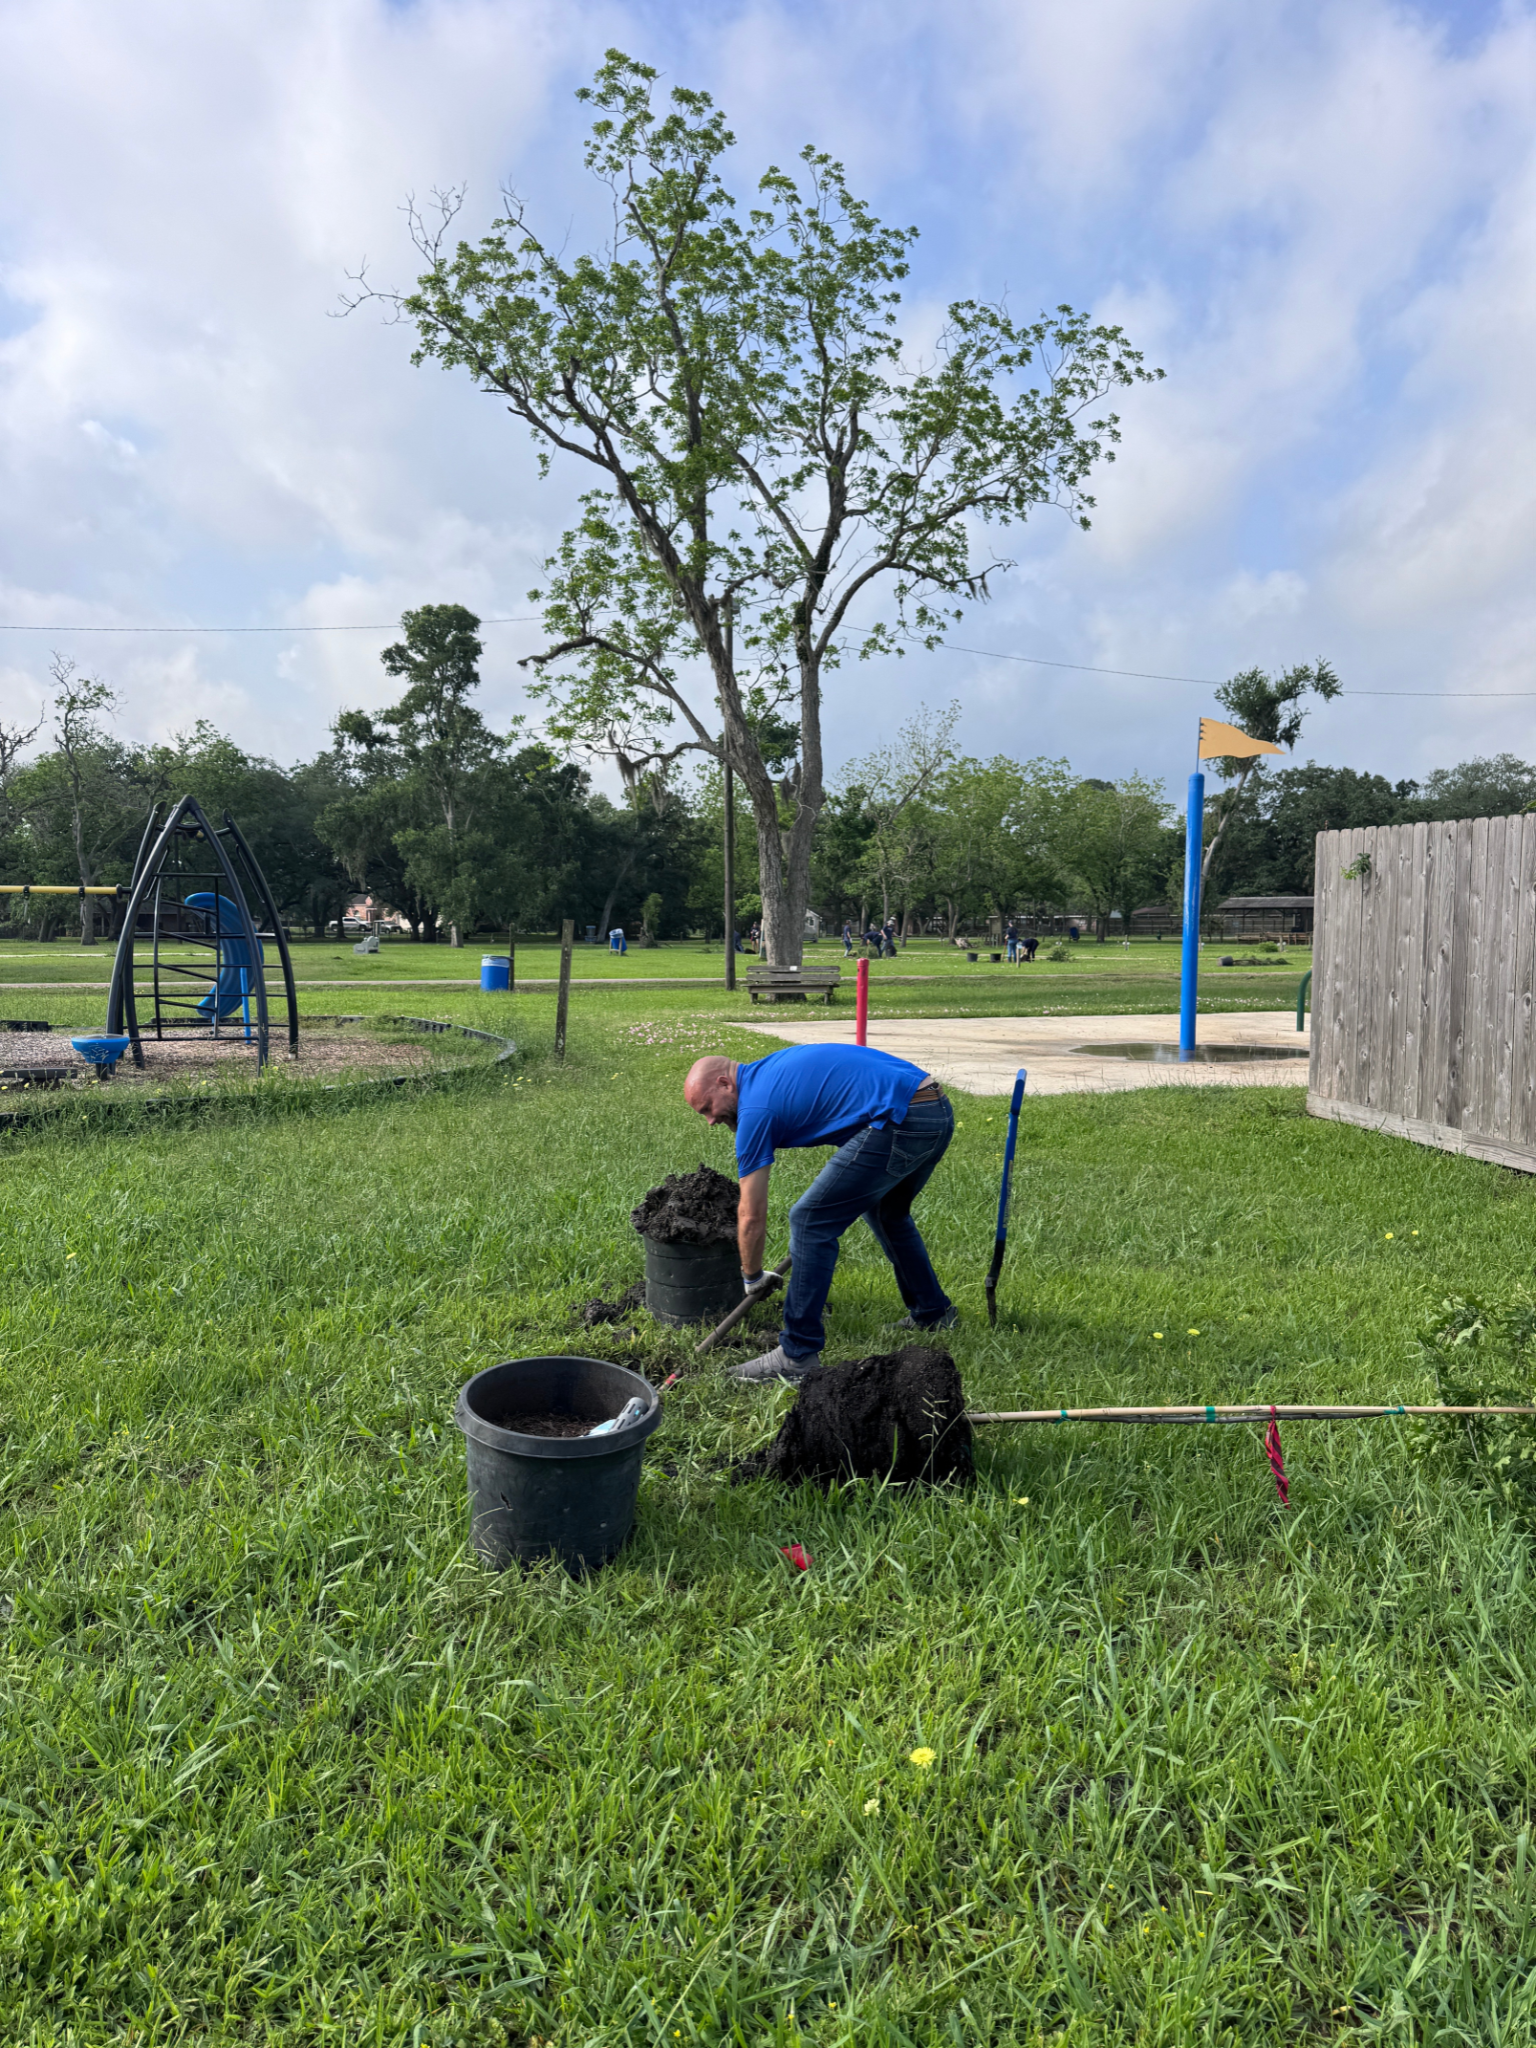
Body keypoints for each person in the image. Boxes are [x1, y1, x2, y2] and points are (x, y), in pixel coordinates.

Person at [683, 1045, 957, 1383]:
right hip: (933, 1109)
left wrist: (752, 1277)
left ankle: (797, 1354)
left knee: (810, 1220)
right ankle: (933, 1312)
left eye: (708, 1108)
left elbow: (751, 1214)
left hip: (901, 1120)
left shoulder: (756, 1108)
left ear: (725, 1083)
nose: (711, 1120)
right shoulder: (766, 1073)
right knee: (888, 1214)